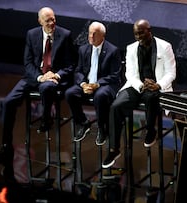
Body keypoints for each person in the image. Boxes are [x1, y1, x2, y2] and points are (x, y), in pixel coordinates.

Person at [0, 7, 76, 181]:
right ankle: (6, 147)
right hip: (35, 77)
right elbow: (28, 63)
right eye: (48, 21)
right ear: (40, 21)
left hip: (54, 79)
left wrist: (56, 75)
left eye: (53, 19)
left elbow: (70, 65)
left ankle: (47, 120)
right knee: (9, 101)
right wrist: (39, 77)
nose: (52, 23)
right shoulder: (32, 35)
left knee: (47, 88)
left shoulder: (65, 35)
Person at [102, 19, 176, 168]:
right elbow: (130, 74)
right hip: (137, 85)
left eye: (141, 33)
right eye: (136, 34)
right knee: (116, 106)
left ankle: (150, 131)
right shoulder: (131, 48)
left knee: (151, 98)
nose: (139, 37)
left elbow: (171, 72)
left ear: (150, 30)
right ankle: (114, 149)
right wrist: (141, 85)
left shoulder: (165, 46)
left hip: (157, 86)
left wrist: (158, 85)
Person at [65, 21, 122, 145]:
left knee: (100, 96)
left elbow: (114, 75)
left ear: (103, 35)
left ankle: (102, 128)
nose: (90, 37)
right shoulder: (83, 49)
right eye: (90, 33)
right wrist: (83, 84)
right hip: (87, 84)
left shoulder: (113, 51)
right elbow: (78, 71)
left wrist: (97, 84)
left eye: (94, 34)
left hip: (105, 84)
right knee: (70, 93)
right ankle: (83, 123)